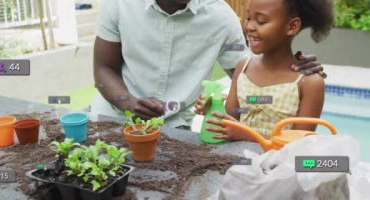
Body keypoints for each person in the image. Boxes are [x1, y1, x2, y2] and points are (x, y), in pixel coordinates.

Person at [92, 0, 325, 129]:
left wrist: (293, 69)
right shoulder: (119, 5)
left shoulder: (221, 18)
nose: (251, 25)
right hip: (113, 118)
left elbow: (249, 77)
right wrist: (130, 103)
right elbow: (104, 68)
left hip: (175, 130)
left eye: (260, 20)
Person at [195, 0, 334, 140]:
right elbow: (233, 116)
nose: (249, 26)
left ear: (292, 26)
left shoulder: (309, 83)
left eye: (261, 21)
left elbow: (298, 145)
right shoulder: (243, 67)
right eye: (248, 18)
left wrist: (249, 135)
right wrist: (214, 107)